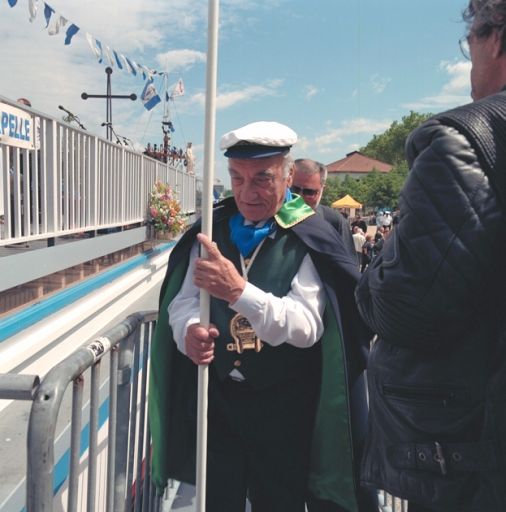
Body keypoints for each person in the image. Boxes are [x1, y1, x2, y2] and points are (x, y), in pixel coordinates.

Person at [149, 121, 377, 512]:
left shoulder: (307, 234)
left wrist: (239, 292)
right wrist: (188, 329)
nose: (246, 192)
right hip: (217, 398)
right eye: (237, 178)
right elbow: (183, 300)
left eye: (261, 179)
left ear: (288, 177)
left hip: (283, 408)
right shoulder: (210, 229)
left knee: (279, 502)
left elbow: (308, 327)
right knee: (216, 499)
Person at [355, 1, 506, 510]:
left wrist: (373, 270)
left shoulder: (463, 142)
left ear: (495, 40)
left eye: (469, 47)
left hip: (473, 460)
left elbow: (403, 311)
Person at [292, 158, 355, 256]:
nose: (299, 197)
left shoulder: (335, 222)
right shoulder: (271, 217)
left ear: (322, 190)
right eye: (294, 189)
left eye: (309, 192)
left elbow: (349, 265)